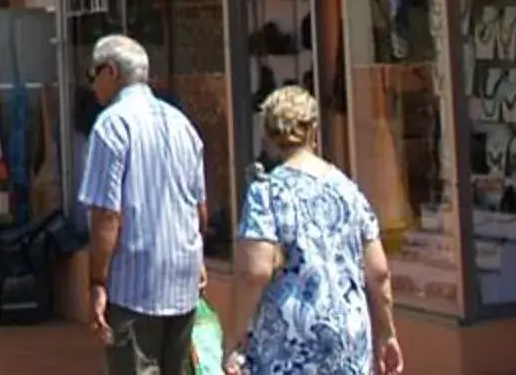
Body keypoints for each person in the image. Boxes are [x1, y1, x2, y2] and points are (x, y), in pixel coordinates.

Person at [222, 86, 401, 375]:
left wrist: (232, 341)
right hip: (350, 334)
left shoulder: (267, 192)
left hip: (291, 338)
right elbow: (378, 272)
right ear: (314, 131)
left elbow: (253, 273)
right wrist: (387, 333)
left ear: (268, 135)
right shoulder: (348, 190)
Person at [79, 33, 208, 375]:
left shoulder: (112, 125)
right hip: (182, 279)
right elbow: (199, 207)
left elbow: (107, 215)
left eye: (94, 75)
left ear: (111, 72)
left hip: (134, 282)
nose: (93, 86)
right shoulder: (182, 123)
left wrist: (97, 282)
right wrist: (197, 258)